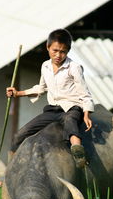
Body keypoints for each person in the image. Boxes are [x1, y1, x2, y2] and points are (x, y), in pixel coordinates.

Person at [6, 29, 94, 169]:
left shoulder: (74, 68)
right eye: (55, 50)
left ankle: (79, 153)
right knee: (19, 135)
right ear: (48, 47)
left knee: (70, 121)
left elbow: (84, 93)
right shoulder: (45, 66)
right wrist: (18, 93)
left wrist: (86, 114)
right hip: (52, 110)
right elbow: (41, 88)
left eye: (63, 52)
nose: (58, 55)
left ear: (68, 51)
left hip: (71, 108)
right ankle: (11, 169)